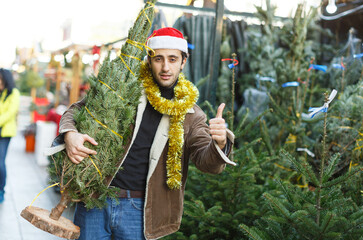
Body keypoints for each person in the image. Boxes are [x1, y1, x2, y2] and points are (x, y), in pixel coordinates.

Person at [58, 27, 236, 240]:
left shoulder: (191, 114)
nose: (165, 67)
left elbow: (206, 162)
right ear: (149, 60)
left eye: (172, 59)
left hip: (141, 210)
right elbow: (76, 110)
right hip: (96, 197)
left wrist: (219, 142)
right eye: (158, 58)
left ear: (183, 62)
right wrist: (70, 134)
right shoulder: (124, 89)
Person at [0, 68, 20, 203]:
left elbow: (10, 113)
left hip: (5, 133)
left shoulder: (14, 93)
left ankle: (1, 189)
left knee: (0, 162)